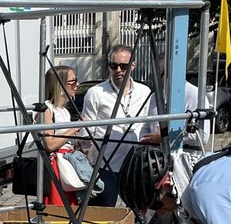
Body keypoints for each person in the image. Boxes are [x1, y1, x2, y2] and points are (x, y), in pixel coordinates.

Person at [80, 44, 155, 206]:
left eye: (124, 66)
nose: (118, 70)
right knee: (103, 212)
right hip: (105, 164)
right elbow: (87, 129)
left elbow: (150, 125)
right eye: (114, 66)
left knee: (138, 212)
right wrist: (88, 157)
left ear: (133, 65)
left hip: (135, 165)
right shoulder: (96, 93)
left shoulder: (145, 92)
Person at [141, 53, 212, 151]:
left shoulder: (194, 94)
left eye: (156, 76)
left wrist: (165, 138)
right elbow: (146, 126)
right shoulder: (154, 97)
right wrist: (145, 139)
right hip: (157, 159)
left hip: (184, 159)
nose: (153, 80)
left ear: (167, 73)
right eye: (151, 75)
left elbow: (203, 136)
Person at [40, 66, 85, 208]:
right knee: (59, 206)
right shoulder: (47, 109)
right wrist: (73, 129)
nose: (77, 85)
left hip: (66, 162)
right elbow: (50, 144)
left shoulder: (64, 110)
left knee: (71, 205)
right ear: (60, 84)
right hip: (56, 166)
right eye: (73, 81)